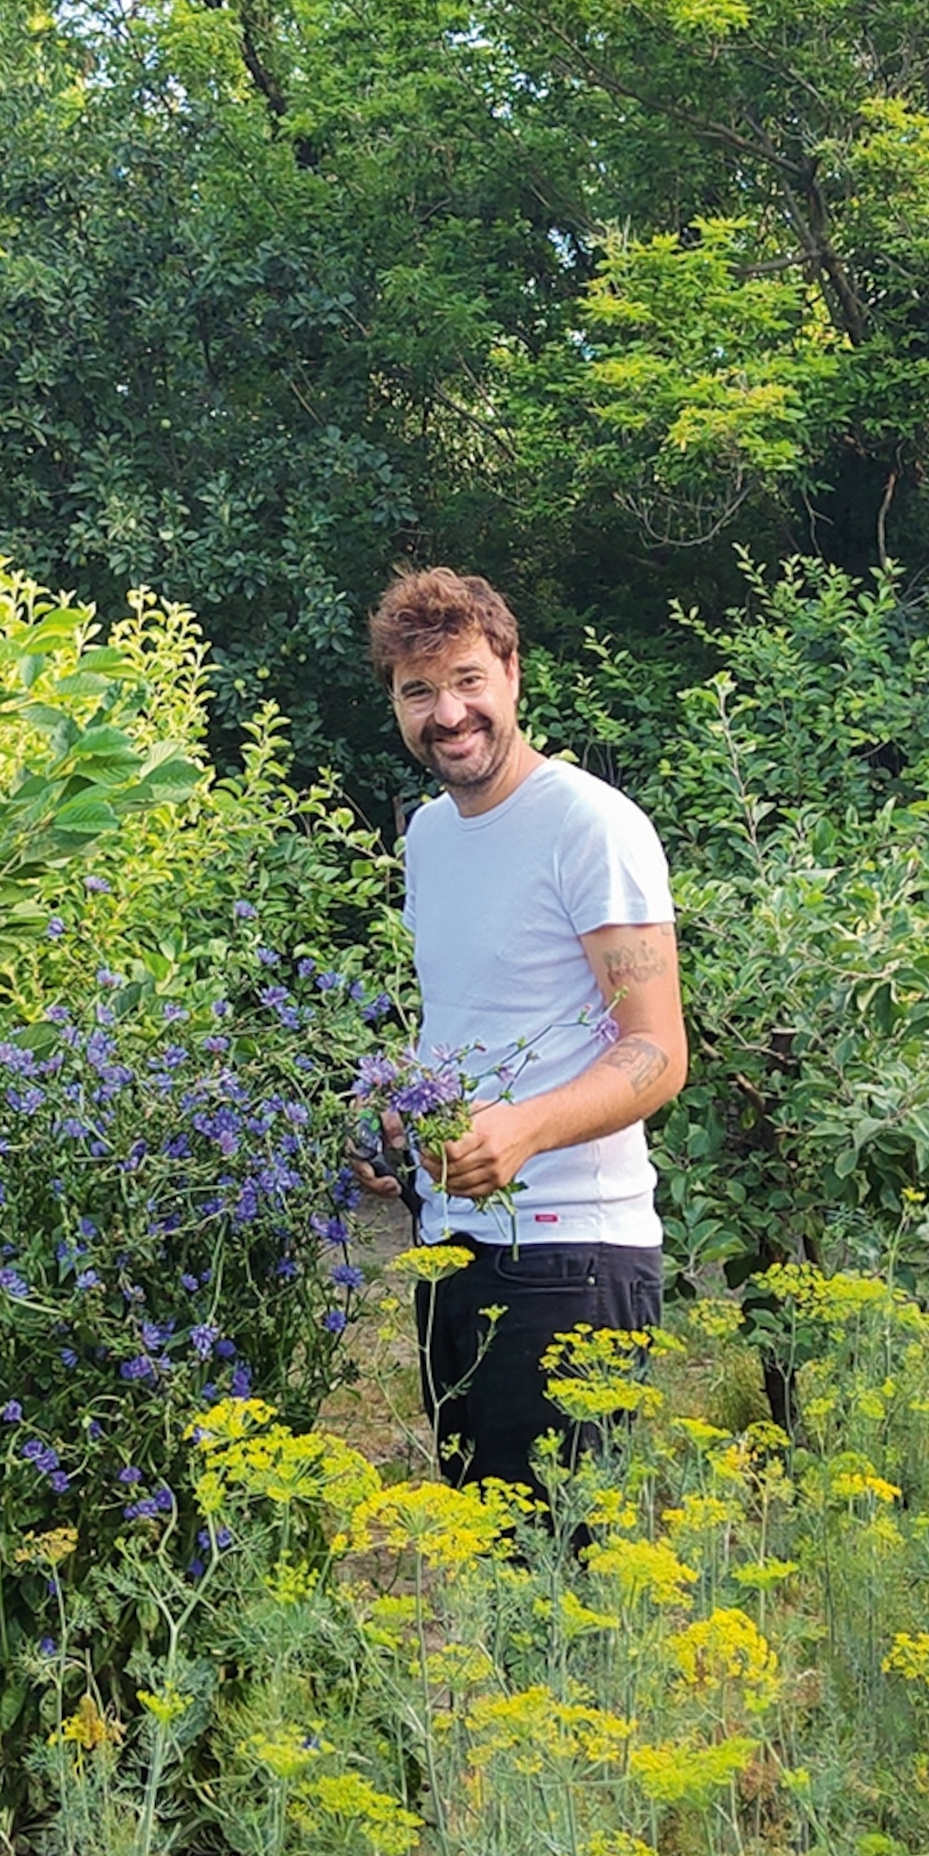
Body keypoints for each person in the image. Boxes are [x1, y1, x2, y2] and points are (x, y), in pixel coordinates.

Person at [355, 566, 687, 1491]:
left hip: (572, 1257)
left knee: (552, 1581)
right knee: (485, 1579)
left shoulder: (589, 826)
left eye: (466, 681)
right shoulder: (429, 835)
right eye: (418, 693)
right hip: (453, 1244)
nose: (447, 714)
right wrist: (401, 1118)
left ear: (511, 675)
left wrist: (524, 1128)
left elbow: (658, 1052)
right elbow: (477, 1024)